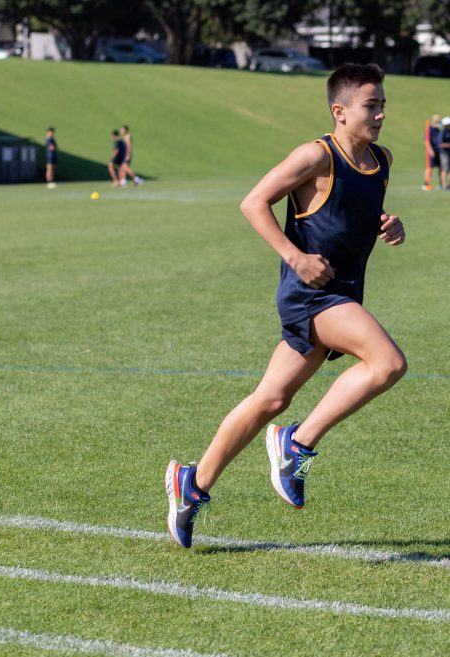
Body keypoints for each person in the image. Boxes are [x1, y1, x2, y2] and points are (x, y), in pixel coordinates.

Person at [165, 63, 407, 549]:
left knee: (269, 400)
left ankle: (192, 483)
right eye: (370, 105)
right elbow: (254, 202)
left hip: (342, 292)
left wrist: (388, 224)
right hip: (313, 294)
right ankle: (295, 443)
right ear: (339, 111)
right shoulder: (315, 156)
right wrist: (294, 257)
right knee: (387, 364)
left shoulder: (382, 161)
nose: (380, 114)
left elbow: (349, 212)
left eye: (382, 104)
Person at [439, 117, 450, 189]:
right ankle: (444, 184)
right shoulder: (443, 132)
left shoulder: (449, 131)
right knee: (445, 169)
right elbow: (440, 144)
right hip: (444, 153)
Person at [425, 114, 441, 191]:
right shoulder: (429, 128)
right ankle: (426, 184)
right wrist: (430, 150)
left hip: (439, 151)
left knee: (440, 168)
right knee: (429, 168)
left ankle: (441, 184)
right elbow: (427, 141)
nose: (439, 122)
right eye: (438, 120)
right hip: (432, 151)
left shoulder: (439, 129)